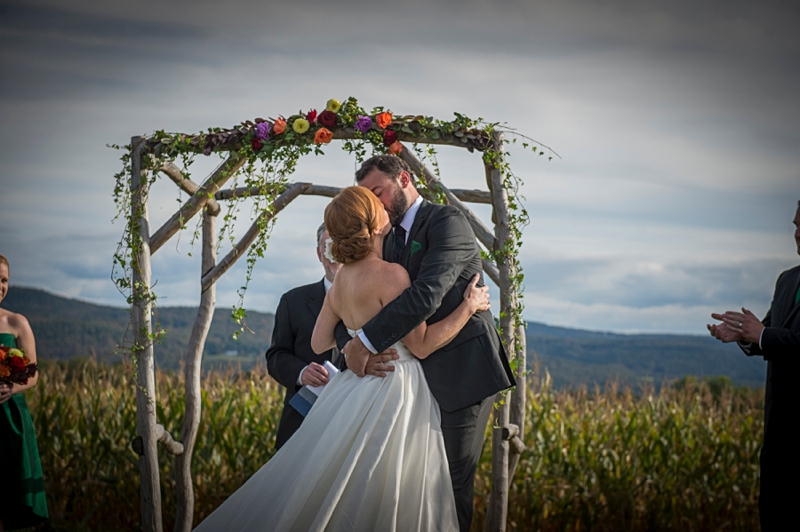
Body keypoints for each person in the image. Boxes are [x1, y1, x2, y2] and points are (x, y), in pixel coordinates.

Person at [194, 186, 491, 531]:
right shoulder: (393, 275)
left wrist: (354, 340)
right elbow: (422, 346)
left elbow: (320, 341)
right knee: (390, 489)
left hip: (352, 389)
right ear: (377, 224)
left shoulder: (340, 280)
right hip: (396, 389)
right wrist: (469, 307)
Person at [339, 155, 515, 531]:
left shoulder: (447, 222)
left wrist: (365, 341)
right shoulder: (381, 236)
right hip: (407, 381)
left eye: (378, 192)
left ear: (404, 178)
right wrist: (353, 346)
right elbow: (359, 298)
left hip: (460, 374)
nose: (376, 204)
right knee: (404, 485)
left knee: (447, 486)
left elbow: (426, 295)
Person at [707, 201, 800, 531]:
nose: (798, 235)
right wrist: (743, 336)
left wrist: (762, 335)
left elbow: (781, 337)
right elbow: (771, 333)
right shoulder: (787, 280)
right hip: (778, 433)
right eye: (795, 226)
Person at [265, 223, 344, 450]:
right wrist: (301, 372)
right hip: (302, 420)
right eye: (327, 247)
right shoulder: (293, 301)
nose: (333, 254)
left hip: (352, 417)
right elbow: (276, 356)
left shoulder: (370, 301)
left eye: (339, 246)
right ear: (319, 254)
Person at [0, 254, 49, 531]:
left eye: (4, 280)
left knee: (9, 497)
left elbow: (33, 374)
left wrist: (10, 387)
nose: (0, 285)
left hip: (10, 420)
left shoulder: (17, 322)